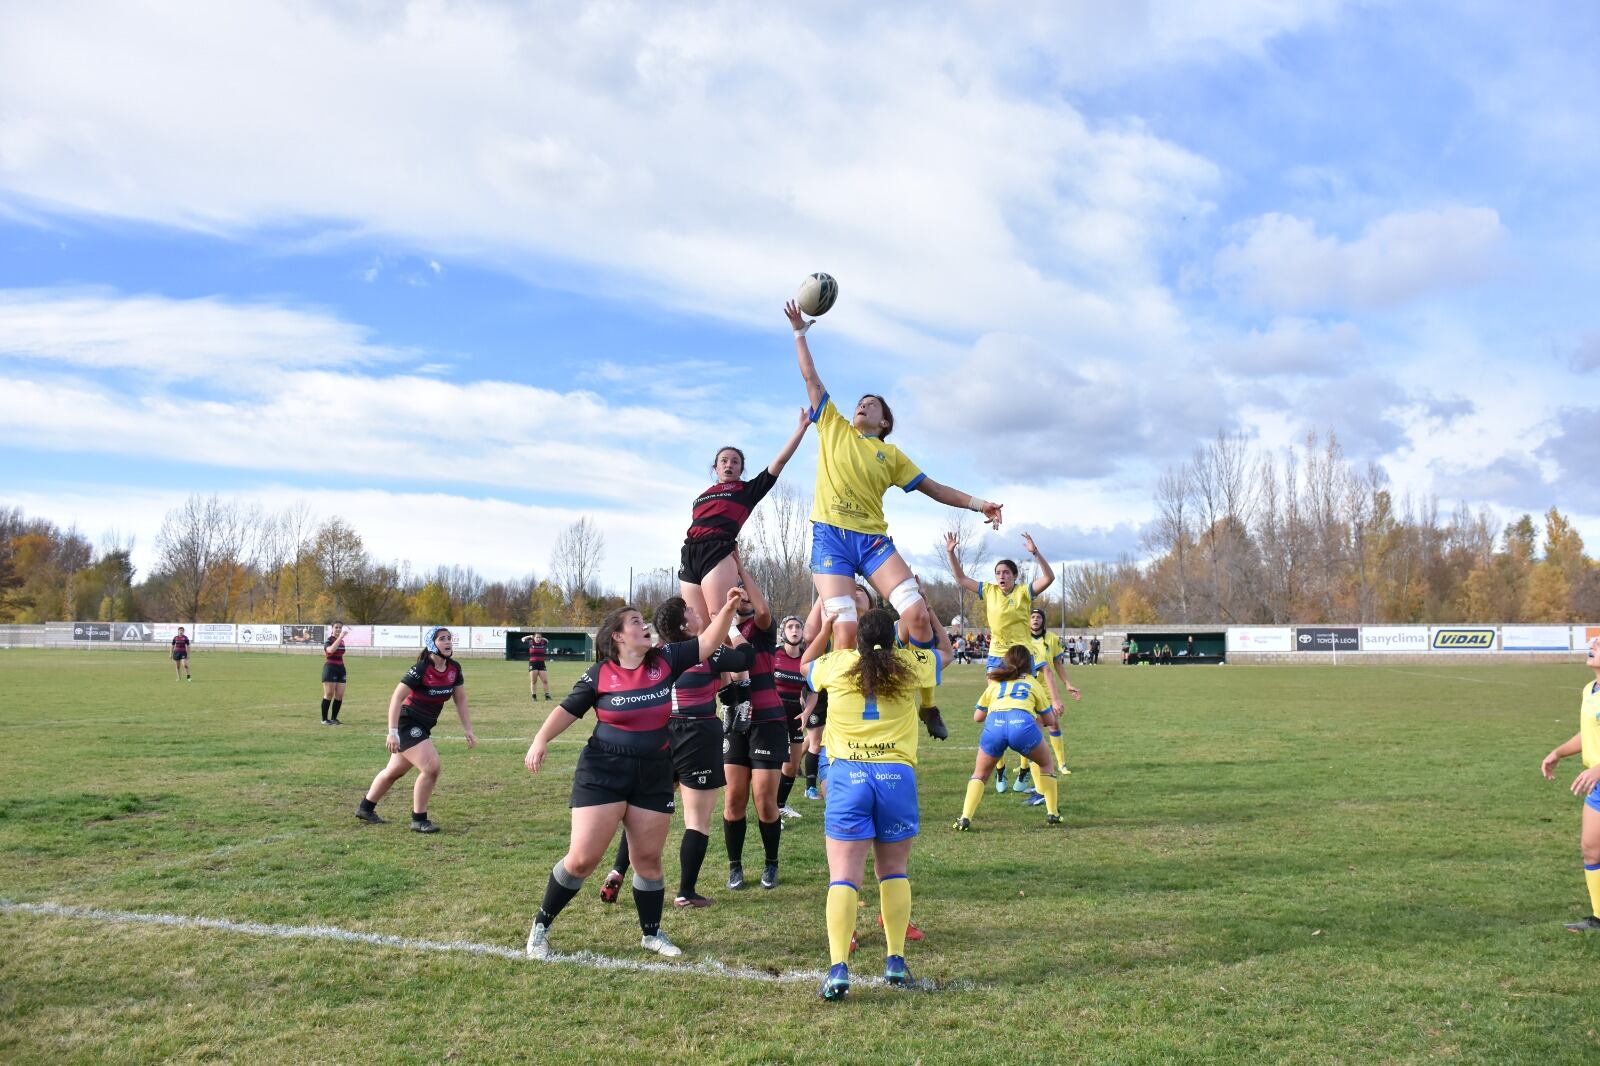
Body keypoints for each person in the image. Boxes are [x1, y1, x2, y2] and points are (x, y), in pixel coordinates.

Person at [523, 588, 744, 960]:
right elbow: (568, 709)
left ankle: (652, 933)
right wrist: (540, 739)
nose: (645, 627)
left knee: (648, 860)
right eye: (636, 623)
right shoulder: (600, 674)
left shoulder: (665, 659)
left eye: (644, 622)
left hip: (654, 770)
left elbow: (707, 642)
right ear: (618, 636)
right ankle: (540, 927)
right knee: (582, 859)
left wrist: (728, 608)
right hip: (603, 771)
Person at [787, 300, 1001, 662]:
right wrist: (799, 332)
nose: (863, 405)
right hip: (831, 537)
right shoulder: (833, 427)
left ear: (884, 422)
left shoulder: (892, 456)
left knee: (917, 614)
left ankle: (920, 697)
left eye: (872, 404)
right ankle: (844, 709)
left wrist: (981, 504)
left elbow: (935, 489)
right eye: (861, 402)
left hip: (872, 542)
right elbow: (811, 377)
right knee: (845, 630)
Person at [802, 604, 950, 1001]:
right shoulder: (910, 663)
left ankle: (837, 969)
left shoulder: (839, 663)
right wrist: (929, 617)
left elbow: (805, 665)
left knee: (844, 877)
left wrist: (828, 626)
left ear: (859, 640)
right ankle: (895, 960)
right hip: (894, 777)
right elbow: (947, 653)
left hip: (849, 777)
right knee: (894, 871)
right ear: (895, 635)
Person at [598, 595, 753, 909]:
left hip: (660, 735)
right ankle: (686, 891)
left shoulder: (654, 655)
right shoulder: (705, 651)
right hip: (697, 734)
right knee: (697, 819)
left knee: (644, 812)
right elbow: (744, 658)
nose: (697, 614)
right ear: (685, 625)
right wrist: (734, 629)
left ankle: (618, 870)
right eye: (691, 612)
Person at [678, 413, 810, 632]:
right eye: (724, 461)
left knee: (717, 617)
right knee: (696, 627)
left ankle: (733, 666)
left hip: (717, 552)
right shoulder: (701, 496)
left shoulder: (746, 491)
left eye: (735, 461)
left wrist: (801, 429)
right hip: (689, 553)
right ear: (716, 468)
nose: (729, 464)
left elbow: (780, 461)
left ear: (741, 469)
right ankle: (704, 667)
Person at [356, 626, 476, 834]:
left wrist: (468, 729)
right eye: (442, 639)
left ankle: (365, 808)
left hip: (423, 726)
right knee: (431, 767)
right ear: (432, 644)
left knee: (394, 772)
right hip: (408, 724)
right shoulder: (421, 668)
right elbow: (397, 697)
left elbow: (461, 700)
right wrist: (392, 731)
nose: (448, 642)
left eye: (449, 638)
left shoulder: (454, 669)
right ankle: (418, 819)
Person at [721, 560, 789, 891]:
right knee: (734, 797)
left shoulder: (762, 629)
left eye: (747, 589)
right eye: (737, 589)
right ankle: (735, 867)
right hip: (735, 721)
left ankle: (771, 863)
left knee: (764, 799)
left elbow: (762, 609)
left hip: (768, 720)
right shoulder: (718, 630)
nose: (744, 594)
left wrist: (741, 566)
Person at [953, 644, 1065, 831]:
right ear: (1030, 664)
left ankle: (965, 817)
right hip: (1022, 726)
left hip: (995, 726)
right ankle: (1052, 813)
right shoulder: (1032, 682)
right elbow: (1049, 719)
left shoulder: (996, 683)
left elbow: (977, 717)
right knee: (1045, 764)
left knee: (980, 774)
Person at [1542, 636, 1600, 932]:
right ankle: (1599, 918)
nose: (1592, 647)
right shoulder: (1590, 691)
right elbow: (1587, 733)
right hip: (1598, 786)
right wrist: (1559, 752)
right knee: (1591, 849)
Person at [773, 613, 809, 821]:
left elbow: (812, 687)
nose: (794, 630)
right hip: (775, 713)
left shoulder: (807, 657)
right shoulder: (774, 654)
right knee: (774, 764)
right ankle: (769, 811)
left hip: (796, 713)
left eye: (798, 627)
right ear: (783, 633)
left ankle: (780, 805)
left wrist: (805, 703)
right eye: (790, 627)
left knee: (792, 765)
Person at [321, 621, 348, 725]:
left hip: (341, 668)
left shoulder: (342, 641)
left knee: (339, 695)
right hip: (330, 668)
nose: (338, 629)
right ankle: (324, 719)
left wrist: (340, 638)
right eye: (336, 627)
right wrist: (340, 637)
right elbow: (331, 650)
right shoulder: (329, 640)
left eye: (340, 627)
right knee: (329, 694)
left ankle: (334, 718)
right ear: (332, 629)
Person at [524, 633, 552, 700]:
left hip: (541, 664)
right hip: (533, 664)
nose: (538, 639)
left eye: (539, 637)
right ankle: (534, 696)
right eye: (537, 637)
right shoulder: (530, 642)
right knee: (534, 681)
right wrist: (530, 636)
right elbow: (523, 639)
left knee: (545, 681)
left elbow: (547, 640)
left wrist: (542, 638)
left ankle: (547, 696)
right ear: (534, 638)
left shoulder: (543, 643)